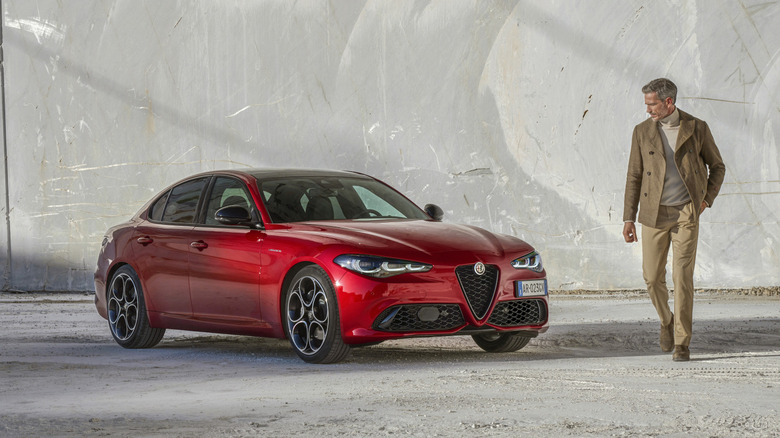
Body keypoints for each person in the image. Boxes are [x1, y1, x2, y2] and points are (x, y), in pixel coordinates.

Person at [622, 78, 726, 361]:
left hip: (686, 212)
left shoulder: (696, 128)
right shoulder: (642, 132)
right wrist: (628, 218)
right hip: (653, 213)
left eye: (652, 104)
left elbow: (717, 166)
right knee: (652, 277)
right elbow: (634, 175)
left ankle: (682, 341)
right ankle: (666, 319)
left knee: (682, 276)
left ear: (669, 102)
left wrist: (706, 200)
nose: (648, 110)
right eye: (646, 104)